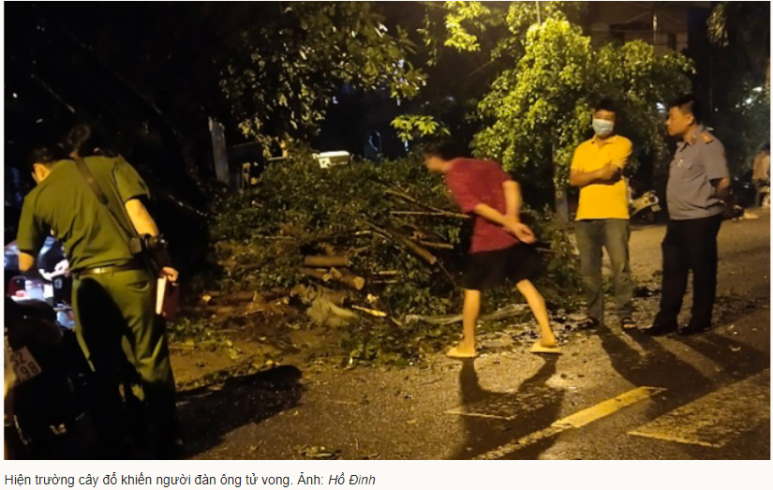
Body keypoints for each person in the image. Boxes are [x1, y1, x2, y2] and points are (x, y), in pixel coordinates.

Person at [16, 126, 181, 457]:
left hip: (89, 289)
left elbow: (24, 262)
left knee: (100, 370)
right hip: (132, 279)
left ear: (37, 170)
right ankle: (168, 441)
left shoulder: (37, 196)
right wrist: (163, 262)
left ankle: (116, 445)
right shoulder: (110, 166)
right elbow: (140, 217)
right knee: (151, 359)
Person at [422, 143, 561, 358]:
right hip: (512, 238)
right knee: (524, 283)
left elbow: (478, 207)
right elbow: (511, 186)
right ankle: (548, 336)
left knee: (472, 289)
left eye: (426, 159)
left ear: (434, 157)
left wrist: (508, 222)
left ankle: (468, 344)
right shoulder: (486, 164)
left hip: (487, 240)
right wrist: (514, 220)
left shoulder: (454, 175)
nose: (426, 164)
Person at [643, 95, 730, 336]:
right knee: (672, 271)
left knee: (702, 272)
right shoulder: (683, 146)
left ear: (689, 118)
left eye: (672, 117)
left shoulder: (707, 144)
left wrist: (717, 204)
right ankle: (666, 320)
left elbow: (722, 181)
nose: (667, 122)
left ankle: (700, 320)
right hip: (679, 220)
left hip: (700, 219)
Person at [569, 99, 636, 331]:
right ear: (592, 118)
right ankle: (594, 315)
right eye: (600, 117)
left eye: (609, 119)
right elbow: (573, 179)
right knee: (589, 271)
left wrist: (587, 175)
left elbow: (612, 174)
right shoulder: (582, 148)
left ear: (615, 122)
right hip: (585, 216)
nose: (603, 122)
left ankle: (625, 314)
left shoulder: (623, 144)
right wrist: (599, 172)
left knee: (620, 267)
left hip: (614, 215)